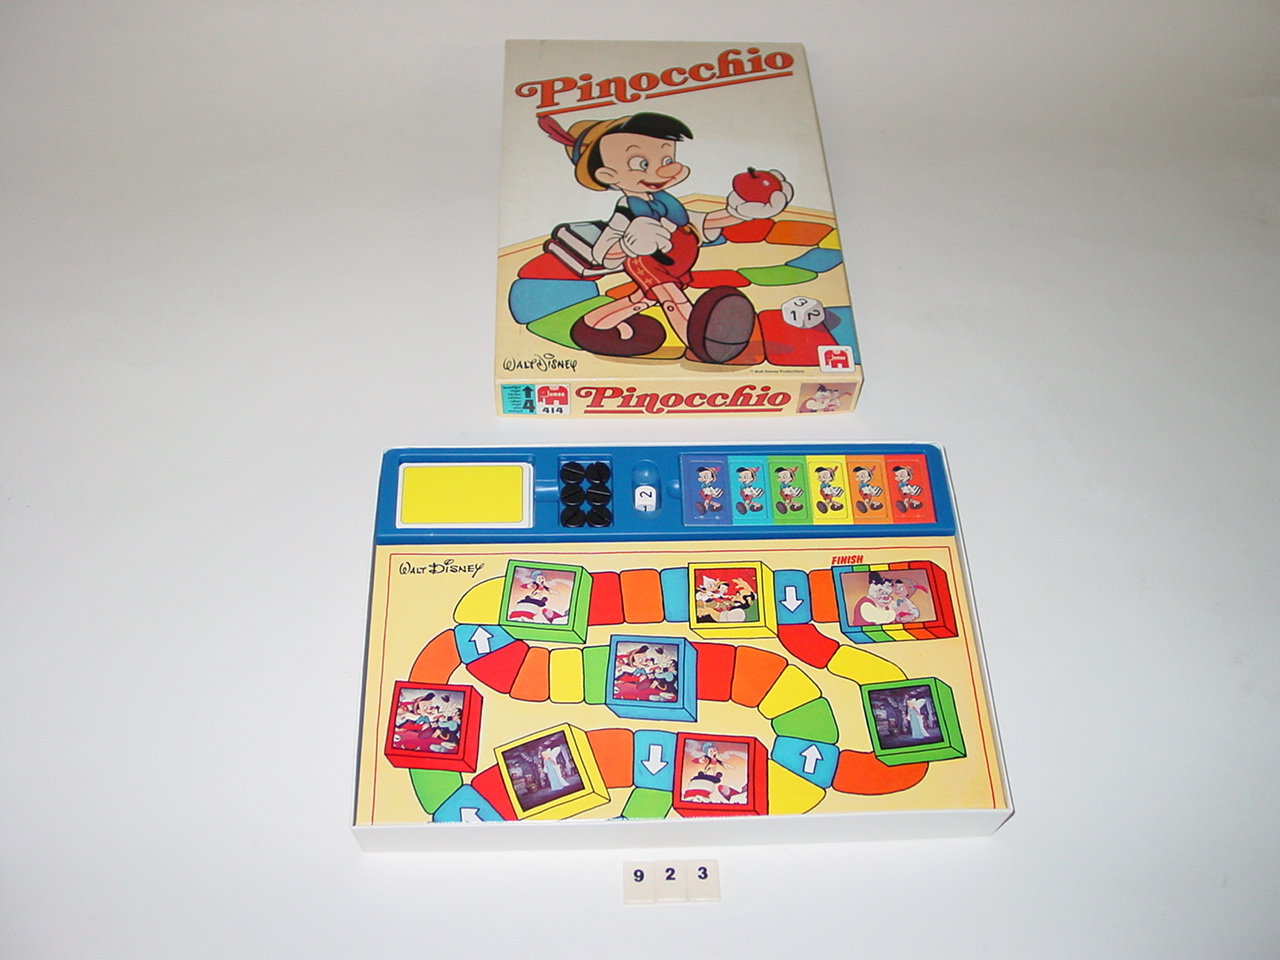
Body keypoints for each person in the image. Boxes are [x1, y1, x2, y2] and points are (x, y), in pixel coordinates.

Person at [539, 111, 791, 360]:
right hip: (649, 263)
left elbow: (704, 222)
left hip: (678, 262)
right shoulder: (628, 212)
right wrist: (629, 244)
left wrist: (742, 212)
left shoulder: (669, 204)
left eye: (667, 159)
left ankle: (593, 326)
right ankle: (700, 344)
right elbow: (603, 253)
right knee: (671, 299)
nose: (664, 170)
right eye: (642, 164)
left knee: (644, 298)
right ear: (608, 175)